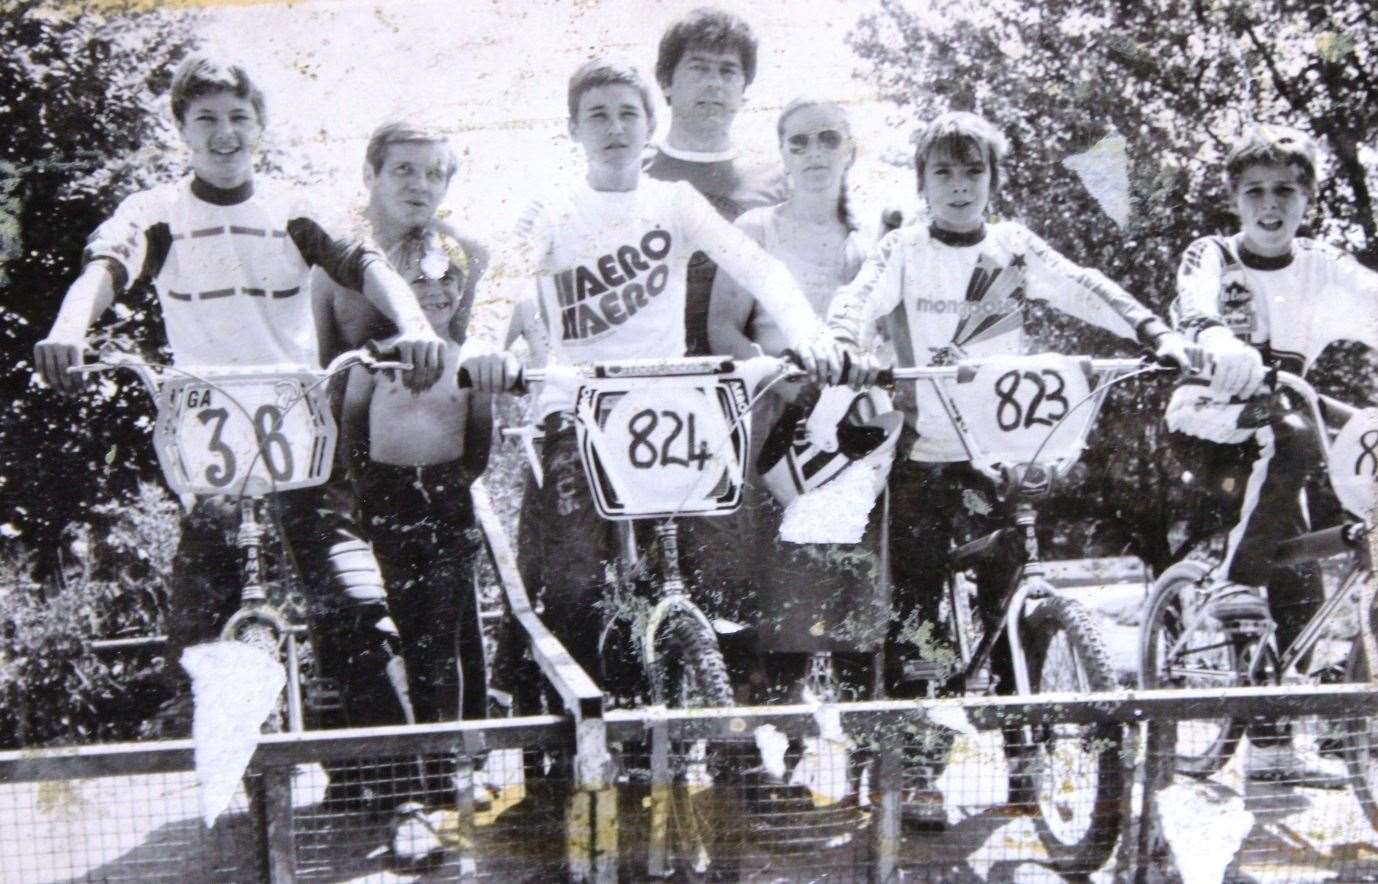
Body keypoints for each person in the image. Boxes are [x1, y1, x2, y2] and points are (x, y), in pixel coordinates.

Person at [32, 53, 443, 777]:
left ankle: (398, 789)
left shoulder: (288, 205)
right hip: (209, 441)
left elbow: (363, 263)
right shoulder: (155, 211)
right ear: (182, 130)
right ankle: (225, 784)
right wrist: (70, 330)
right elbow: (105, 269)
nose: (225, 136)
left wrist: (415, 325)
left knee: (351, 600)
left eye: (239, 119)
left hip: (295, 431)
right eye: (206, 121)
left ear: (260, 126)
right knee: (197, 619)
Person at [830, 111, 1194, 827]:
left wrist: (1154, 332)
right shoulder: (904, 247)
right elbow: (859, 301)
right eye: (944, 172)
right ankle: (918, 768)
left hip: (1002, 453)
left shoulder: (1013, 246)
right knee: (920, 604)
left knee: (1016, 597)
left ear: (994, 181)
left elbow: (1083, 285)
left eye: (975, 171)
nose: (960, 186)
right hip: (926, 451)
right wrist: (842, 342)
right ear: (923, 183)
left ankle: (1027, 761)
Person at [462, 59, 842, 706]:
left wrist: (810, 333)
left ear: (650, 124)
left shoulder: (674, 201)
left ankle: (732, 737)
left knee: (725, 568)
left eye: (627, 114)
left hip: (670, 408)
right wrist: (482, 348)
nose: (614, 127)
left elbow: (757, 266)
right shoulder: (552, 209)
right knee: (576, 579)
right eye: (598, 115)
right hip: (579, 411)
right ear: (573, 129)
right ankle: (580, 735)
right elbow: (506, 287)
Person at [1166, 124, 1378, 787]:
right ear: (1234, 198)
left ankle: (1294, 737)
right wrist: (1212, 339)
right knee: (1289, 444)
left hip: (1288, 415)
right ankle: (1235, 578)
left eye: (1286, 190)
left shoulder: (1322, 266)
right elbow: (1197, 306)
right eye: (1254, 190)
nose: (1270, 204)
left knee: (1306, 562)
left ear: (1309, 199)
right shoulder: (1213, 256)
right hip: (1210, 413)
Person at [707, 97, 886, 702]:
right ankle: (769, 744)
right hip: (773, 418)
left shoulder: (871, 239)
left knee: (849, 585)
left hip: (850, 423)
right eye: (798, 142)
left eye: (827, 139)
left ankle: (852, 752)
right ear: (782, 154)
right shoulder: (756, 229)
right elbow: (725, 327)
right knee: (774, 584)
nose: (814, 153)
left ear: (850, 151)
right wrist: (774, 374)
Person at [341, 230, 494, 858]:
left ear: (460, 289)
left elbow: (480, 442)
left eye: (445, 278)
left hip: (447, 503)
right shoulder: (370, 359)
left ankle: (450, 769)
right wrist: (375, 494)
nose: (432, 289)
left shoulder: (469, 361)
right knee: (396, 634)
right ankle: (408, 777)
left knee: (446, 634)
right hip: (386, 503)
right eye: (416, 279)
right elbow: (351, 432)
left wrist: (450, 486)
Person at [644, 6, 787, 357]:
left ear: (744, 88)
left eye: (728, 71)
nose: (714, 82)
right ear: (665, 81)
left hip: (756, 387)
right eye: (699, 68)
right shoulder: (634, 174)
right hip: (650, 381)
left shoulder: (778, 184)